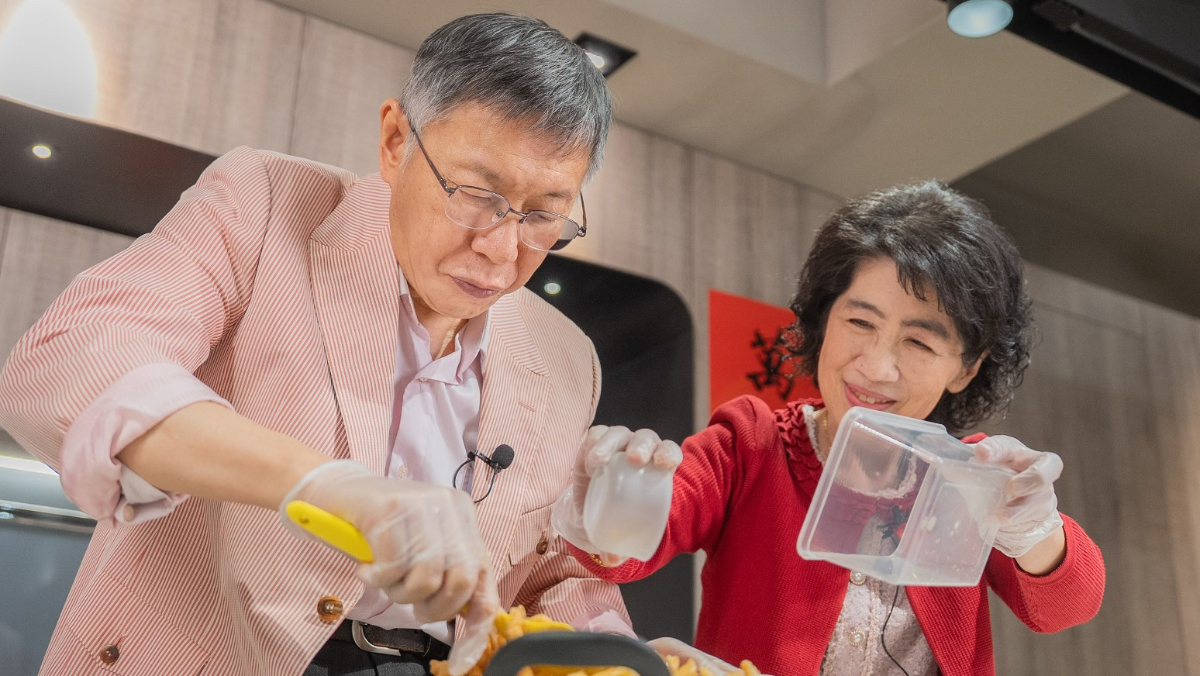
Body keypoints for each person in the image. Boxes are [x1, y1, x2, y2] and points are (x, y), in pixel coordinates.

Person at [0, 13, 631, 676]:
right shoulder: (266, 204)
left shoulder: (566, 355)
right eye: (476, 194)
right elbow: (74, 357)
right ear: (395, 142)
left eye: (543, 215)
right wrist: (321, 484)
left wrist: (618, 654)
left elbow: (549, 578)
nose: (502, 250)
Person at [552, 182, 1106, 676]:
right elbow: (640, 538)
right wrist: (612, 499)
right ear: (823, 319)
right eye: (860, 322)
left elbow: (1066, 606)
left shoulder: (971, 478)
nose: (877, 367)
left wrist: (1032, 527)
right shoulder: (751, 444)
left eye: (918, 341)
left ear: (967, 367)